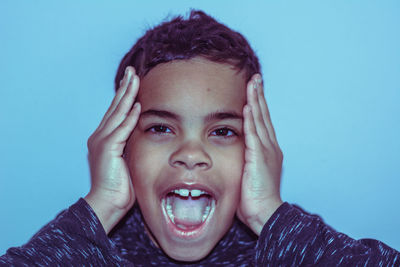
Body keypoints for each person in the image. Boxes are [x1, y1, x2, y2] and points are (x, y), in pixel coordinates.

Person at [1, 9, 399, 266]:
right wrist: (100, 208)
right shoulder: (85, 252)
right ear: (121, 147)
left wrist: (269, 215)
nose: (191, 154)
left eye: (223, 131)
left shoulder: (287, 252)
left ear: (257, 151)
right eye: (160, 128)